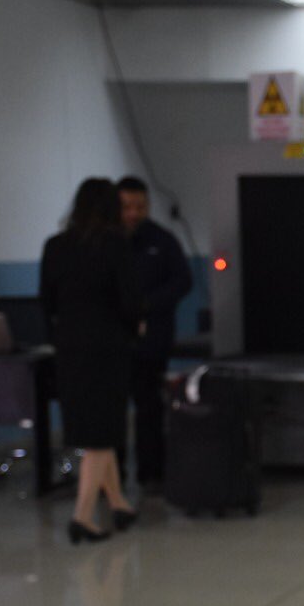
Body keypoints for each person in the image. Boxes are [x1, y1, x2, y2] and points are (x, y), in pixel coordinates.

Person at [40, 179, 140, 544]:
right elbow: (129, 301)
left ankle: (118, 504)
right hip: (107, 346)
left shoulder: (55, 247)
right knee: (102, 433)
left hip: (69, 345)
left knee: (94, 426)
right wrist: (135, 326)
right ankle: (82, 515)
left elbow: (47, 302)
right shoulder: (115, 246)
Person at [117, 176, 192, 490]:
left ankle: (151, 474)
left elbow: (182, 281)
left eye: (140, 206)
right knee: (113, 413)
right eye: (127, 207)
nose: (133, 213)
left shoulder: (162, 241)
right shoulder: (108, 243)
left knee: (149, 409)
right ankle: (113, 475)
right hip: (116, 343)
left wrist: (149, 304)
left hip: (152, 341)